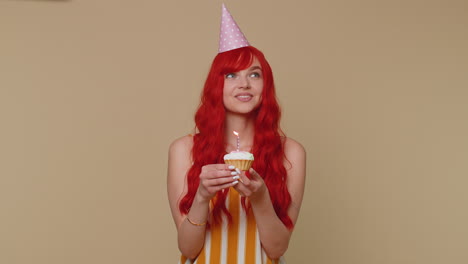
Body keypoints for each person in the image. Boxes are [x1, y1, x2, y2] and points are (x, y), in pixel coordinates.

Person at [167, 4, 306, 264]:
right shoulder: (183, 150)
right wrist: (202, 196)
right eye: (231, 75)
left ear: (265, 86)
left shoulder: (291, 153)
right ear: (215, 86)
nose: (244, 83)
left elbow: (276, 249)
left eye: (255, 74)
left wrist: (260, 197)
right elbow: (187, 247)